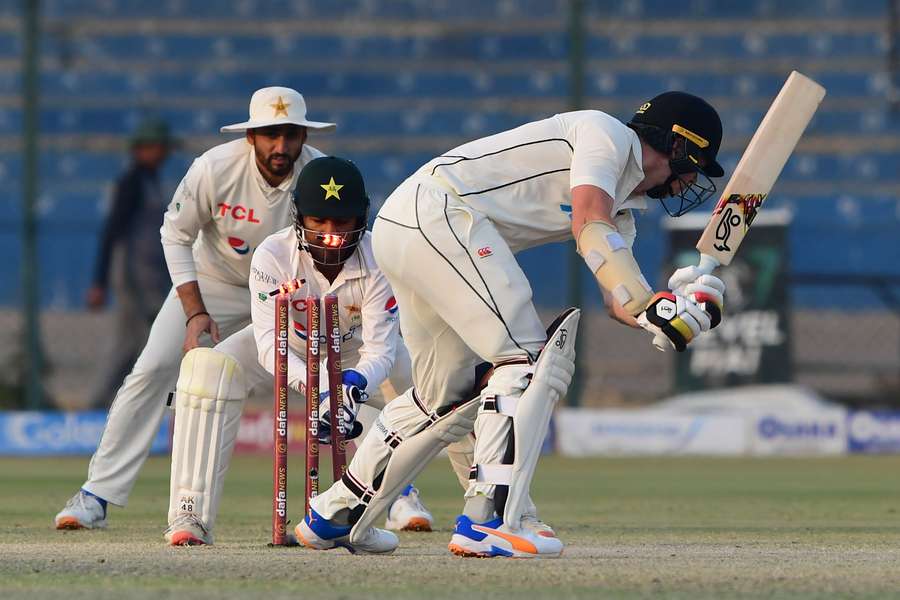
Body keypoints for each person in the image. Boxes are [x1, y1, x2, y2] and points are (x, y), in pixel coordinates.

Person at [294, 91, 728, 558]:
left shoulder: (621, 211)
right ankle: (490, 519)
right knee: (523, 361)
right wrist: (650, 304)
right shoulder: (607, 135)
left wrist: (674, 310)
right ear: (679, 145)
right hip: (440, 214)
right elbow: (588, 223)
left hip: (410, 226)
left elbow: (618, 300)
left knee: (444, 397)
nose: (690, 183)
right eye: (694, 168)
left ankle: (335, 514)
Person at [54, 86, 335, 530]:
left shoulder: (321, 173)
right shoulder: (214, 168)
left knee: (345, 365)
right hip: (216, 282)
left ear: (303, 135)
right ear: (251, 136)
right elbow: (175, 235)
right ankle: (97, 494)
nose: (280, 147)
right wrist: (194, 311)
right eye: (270, 135)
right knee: (152, 369)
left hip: (289, 288)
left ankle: (394, 496)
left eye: (290, 135)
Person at [163, 156, 473, 546]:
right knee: (206, 371)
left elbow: (380, 349)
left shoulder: (381, 258)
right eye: (319, 223)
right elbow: (266, 346)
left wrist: (350, 384)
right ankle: (190, 514)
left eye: (343, 223)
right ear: (299, 217)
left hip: (359, 357)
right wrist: (321, 389)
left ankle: (486, 508)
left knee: (452, 387)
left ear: (361, 217)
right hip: (290, 349)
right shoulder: (273, 255)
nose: (332, 236)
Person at [86, 116, 177, 409]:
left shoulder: (150, 181)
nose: (161, 152)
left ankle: (115, 404)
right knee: (131, 344)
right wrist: (100, 282)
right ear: (141, 149)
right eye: (155, 146)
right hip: (132, 277)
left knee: (135, 345)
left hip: (149, 276)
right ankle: (100, 404)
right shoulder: (131, 183)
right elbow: (111, 233)